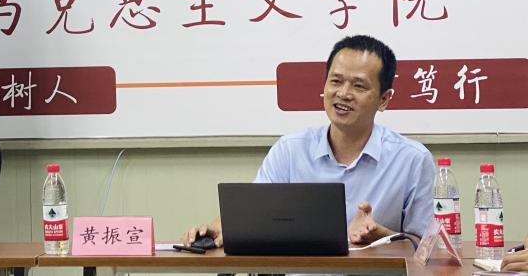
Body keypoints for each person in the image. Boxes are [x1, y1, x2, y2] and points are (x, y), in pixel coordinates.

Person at [182, 35, 434, 246]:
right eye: (336, 81)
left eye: (359, 86)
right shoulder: (290, 151)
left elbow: (426, 248)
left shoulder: (412, 159)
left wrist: (382, 236)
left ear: (384, 99)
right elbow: (254, 217)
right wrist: (220, 227)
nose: (343, 93)